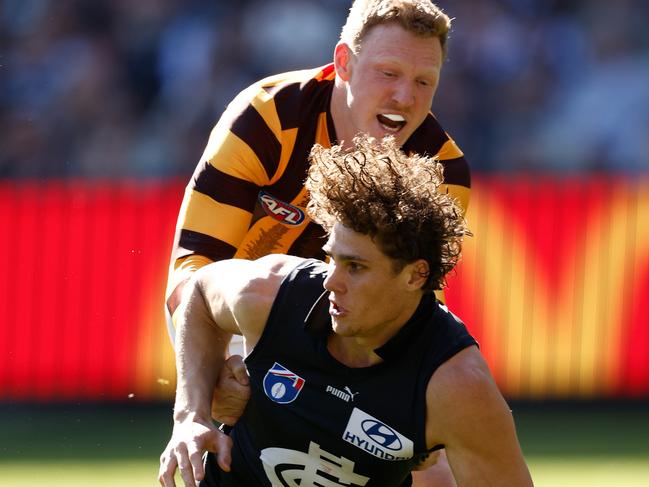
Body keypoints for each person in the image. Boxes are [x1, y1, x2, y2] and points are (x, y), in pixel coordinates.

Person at [165, 1, 470, 484]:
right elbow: (194, 269)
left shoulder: (442, 173)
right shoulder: (266, 118)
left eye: (423, 82)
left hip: (356, 333)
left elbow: (406, 313)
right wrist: (198, 399)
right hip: (240, 320)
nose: (404, 98)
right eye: (388, 73)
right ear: (344, 63)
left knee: (436, 471)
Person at [158, 136, 533, 486]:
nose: (330, 281)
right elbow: (200, 292)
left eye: (355, 267)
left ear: (416, 275)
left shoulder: (455, 385)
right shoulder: (272, 294)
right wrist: (190, 415)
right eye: (332, 259)